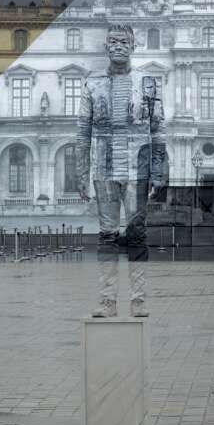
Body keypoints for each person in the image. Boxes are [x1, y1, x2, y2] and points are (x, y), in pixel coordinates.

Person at [76, 24, 168, 317]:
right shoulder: (92, 84)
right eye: (113, 41)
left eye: (124, 41)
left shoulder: (149, 83)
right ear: (106, 46)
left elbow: (157, 130)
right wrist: (81, 175)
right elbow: (83, 133)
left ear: (133, 46)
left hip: (137, 170)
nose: (118, 46)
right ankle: (107, 300)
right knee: (107, 237)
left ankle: (138, 299)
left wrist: (158, 171)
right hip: (104, 169)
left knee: (138, 234)